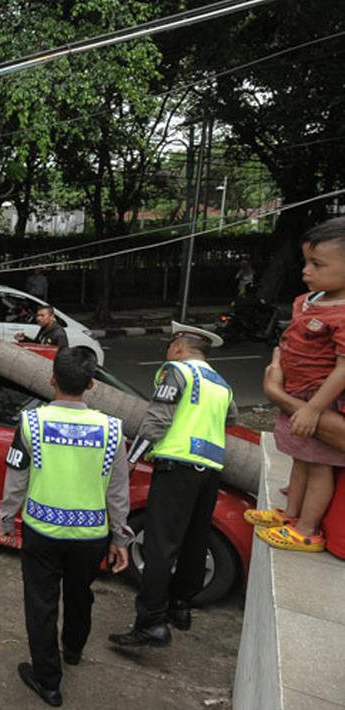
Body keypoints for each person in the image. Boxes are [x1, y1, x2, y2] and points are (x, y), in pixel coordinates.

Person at [0, 347, 131, 707]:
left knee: (40, 605)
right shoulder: (111, 429)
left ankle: (49, 682)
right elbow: (118, 489)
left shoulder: (31, 422)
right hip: (91, 536)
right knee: (80, 593)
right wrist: (121, 536)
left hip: (42, 532)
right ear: (91, 384)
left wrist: (6, 518)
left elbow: (16, 478)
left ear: (52, 379)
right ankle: (72, 649)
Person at [109, 322, 237, 648]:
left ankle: (150, 622)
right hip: (209, 472)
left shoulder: (176, 371)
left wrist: (131, 458)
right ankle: (180, 607)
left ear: (180, 346)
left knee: (160, 546)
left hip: (176, 468)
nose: (167, 350)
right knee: (194, 542)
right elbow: (231, 419)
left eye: (169, 344)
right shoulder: (221, 384)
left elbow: (157, 421)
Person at [243, 218, 345, 553]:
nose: (306, 271)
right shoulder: (312, 299)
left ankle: (307, 530)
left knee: (319, 465)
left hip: (317, 398)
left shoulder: (343, 314)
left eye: (317, 264)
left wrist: (315, 409)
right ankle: (290, 515)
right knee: (302, 459)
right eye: (306, 262)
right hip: (297, 391)